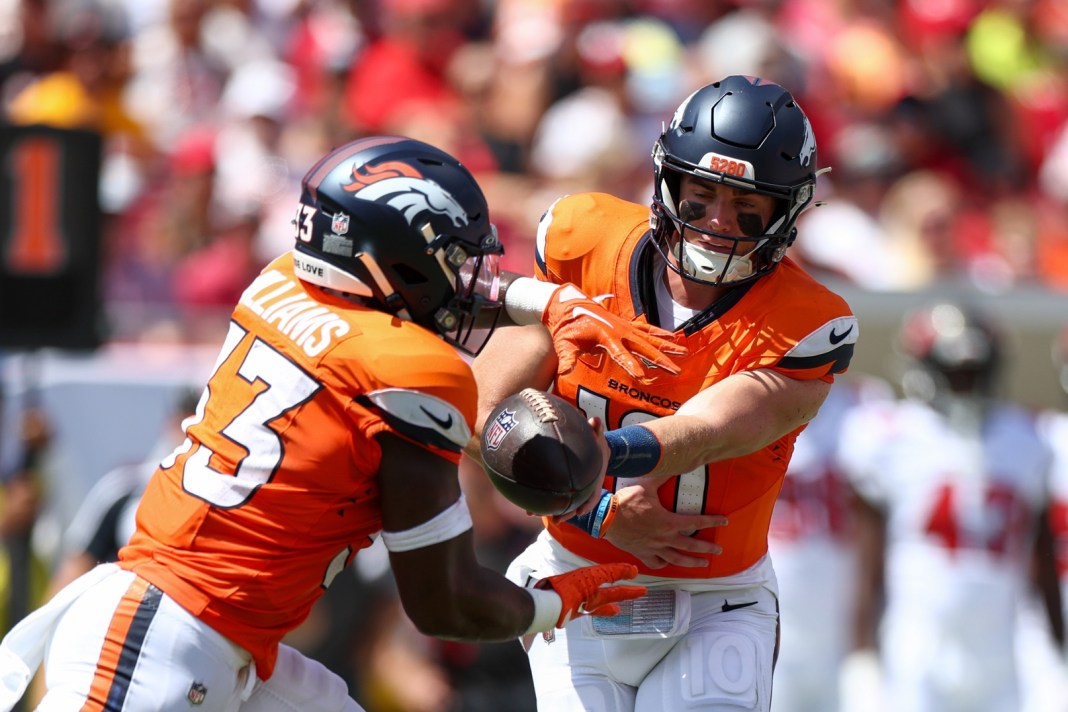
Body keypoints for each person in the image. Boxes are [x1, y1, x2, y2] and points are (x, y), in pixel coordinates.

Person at [0, 136, 670, 712]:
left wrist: (544, 300)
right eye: (453, 257)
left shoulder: (282, 279)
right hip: (167, 636)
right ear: (391, 262)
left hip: (211, 631)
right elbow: (446, 602)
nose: (471, 278)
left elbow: (411, 294)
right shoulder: (414, 372)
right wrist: (560, 602)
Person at [467, 75, 860, 712]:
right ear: (666, 181)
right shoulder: (584, 242)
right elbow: (485, 411)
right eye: (700, 195)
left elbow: (706, 429)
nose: (717, 223)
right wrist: (594, 510)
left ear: (786, 213)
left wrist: (599, 459)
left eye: (747, 206)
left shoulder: (808, 322)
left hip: (714, 604)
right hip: (578, 579)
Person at [838, 301, 1064, 712]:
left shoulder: (1027, 440)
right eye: (955, 372)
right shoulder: (891, 437)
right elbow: (867, 569)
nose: (967, 383)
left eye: (976, 372)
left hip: (1002, 654)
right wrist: (862, 656)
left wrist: (1057, 648)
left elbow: (1042, 564)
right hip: (916, 651)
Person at [766, 375, 892, 712]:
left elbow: (878, 526)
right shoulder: (752, 393)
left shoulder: (866, 406)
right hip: (770, 606)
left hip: (841, 617)